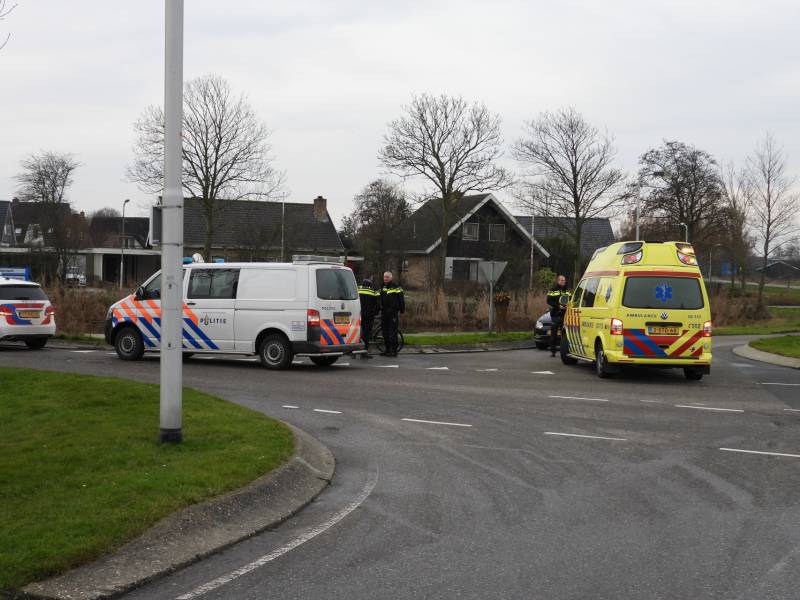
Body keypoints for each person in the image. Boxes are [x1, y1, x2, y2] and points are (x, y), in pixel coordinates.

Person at [379, 271, 405, 357]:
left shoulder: (396, 287)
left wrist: (401, 310)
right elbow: (380, 298)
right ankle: (387, 350)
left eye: (387, 277)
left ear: (391, 278)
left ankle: (394, 351)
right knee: (385, 333)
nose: (385, 278)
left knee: (392, 333)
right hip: (384, 313)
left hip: (393, 313)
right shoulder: (383, 287)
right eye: (384, 277)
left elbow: (401, 299)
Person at [546, 274, 572, 357]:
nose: (563, 282)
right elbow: (548, 301)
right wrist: (558, 306)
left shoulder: (567, 290)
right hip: (556, 314)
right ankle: (553, 351)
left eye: (564, 280)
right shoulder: (553, 290)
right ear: (558, 281)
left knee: (564, 334)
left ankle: (563, 350)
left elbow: (571, 299)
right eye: (562, 280)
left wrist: (569, 305)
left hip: (565, 315)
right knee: (554, 333)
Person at [357, 278, 379, 359]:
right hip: (369, 315)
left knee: (357, 332)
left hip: (358, 314)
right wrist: (375, 312)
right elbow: (378, 303)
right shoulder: (373, 291)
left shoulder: (357, 289)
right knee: (366, 333)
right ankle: (364, 352)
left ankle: (354, 352)